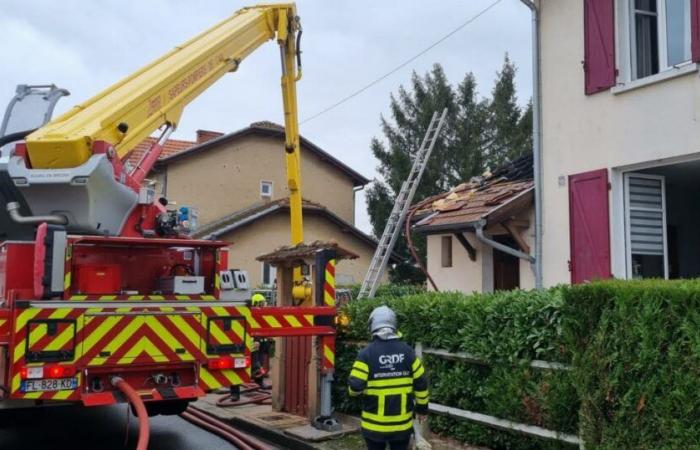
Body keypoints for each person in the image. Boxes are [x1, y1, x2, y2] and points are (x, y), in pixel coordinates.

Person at [348, 306, 429, 450]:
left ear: (372, 325)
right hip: (402, 426)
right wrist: (422, 409)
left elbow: (355, 388)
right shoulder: (408, 352)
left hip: (373, 427)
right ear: (393, 325)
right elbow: (421, 383)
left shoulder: (366, 354)